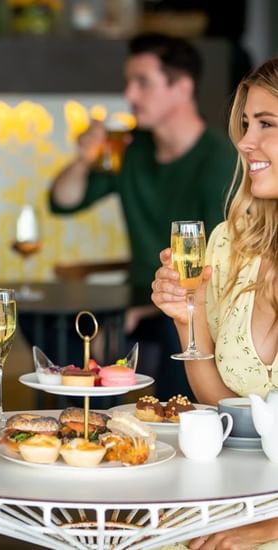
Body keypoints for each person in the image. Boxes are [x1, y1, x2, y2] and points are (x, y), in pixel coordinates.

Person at [46, 32, 236, 400]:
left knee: (175, 333)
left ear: (182, 87)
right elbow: (64, 201)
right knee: (54, 325)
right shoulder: (132, 151)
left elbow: (213, 268)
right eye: (129, 83)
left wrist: (147, 309)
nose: (130, 96)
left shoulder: (219, 160)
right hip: (134, 297)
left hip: (191, 301)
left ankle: (170, 418)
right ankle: (90, 426)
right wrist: (84, 159)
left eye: (142, 83)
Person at [152, 57, 278, 549]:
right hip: (244, 494)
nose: (245, 141)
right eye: (245, 124)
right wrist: (192, 313)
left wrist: (265, 532)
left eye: (267, 124)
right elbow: (223, 404)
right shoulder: (231, 243)